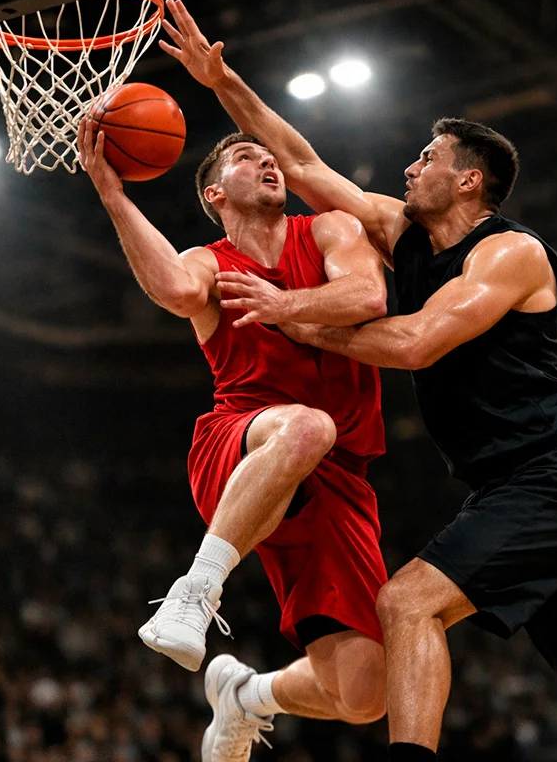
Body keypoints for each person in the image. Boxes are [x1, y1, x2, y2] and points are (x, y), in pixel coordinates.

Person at [159, 0, 557, 762]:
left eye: (427, 159)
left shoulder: (510, 253)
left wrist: (294, 316)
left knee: (407, 603)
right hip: (521, 491)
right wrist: (222, 82)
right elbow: (303, 166)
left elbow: (416, 342)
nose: (409, 168)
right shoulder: (404, 235)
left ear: (468, 180)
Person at [75, 115, 390, 761]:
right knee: (308, 424)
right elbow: (174, 289)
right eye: (247, 157)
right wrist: (111, 193)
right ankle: (194, 591)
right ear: (214, 193)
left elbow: (367, 296)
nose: (268, 162)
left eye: (270, 157)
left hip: (337, 479)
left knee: (364, 695)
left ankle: (248, 695)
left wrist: (282, 305)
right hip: (241, 439)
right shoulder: (210, 262)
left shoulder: (328, 229)